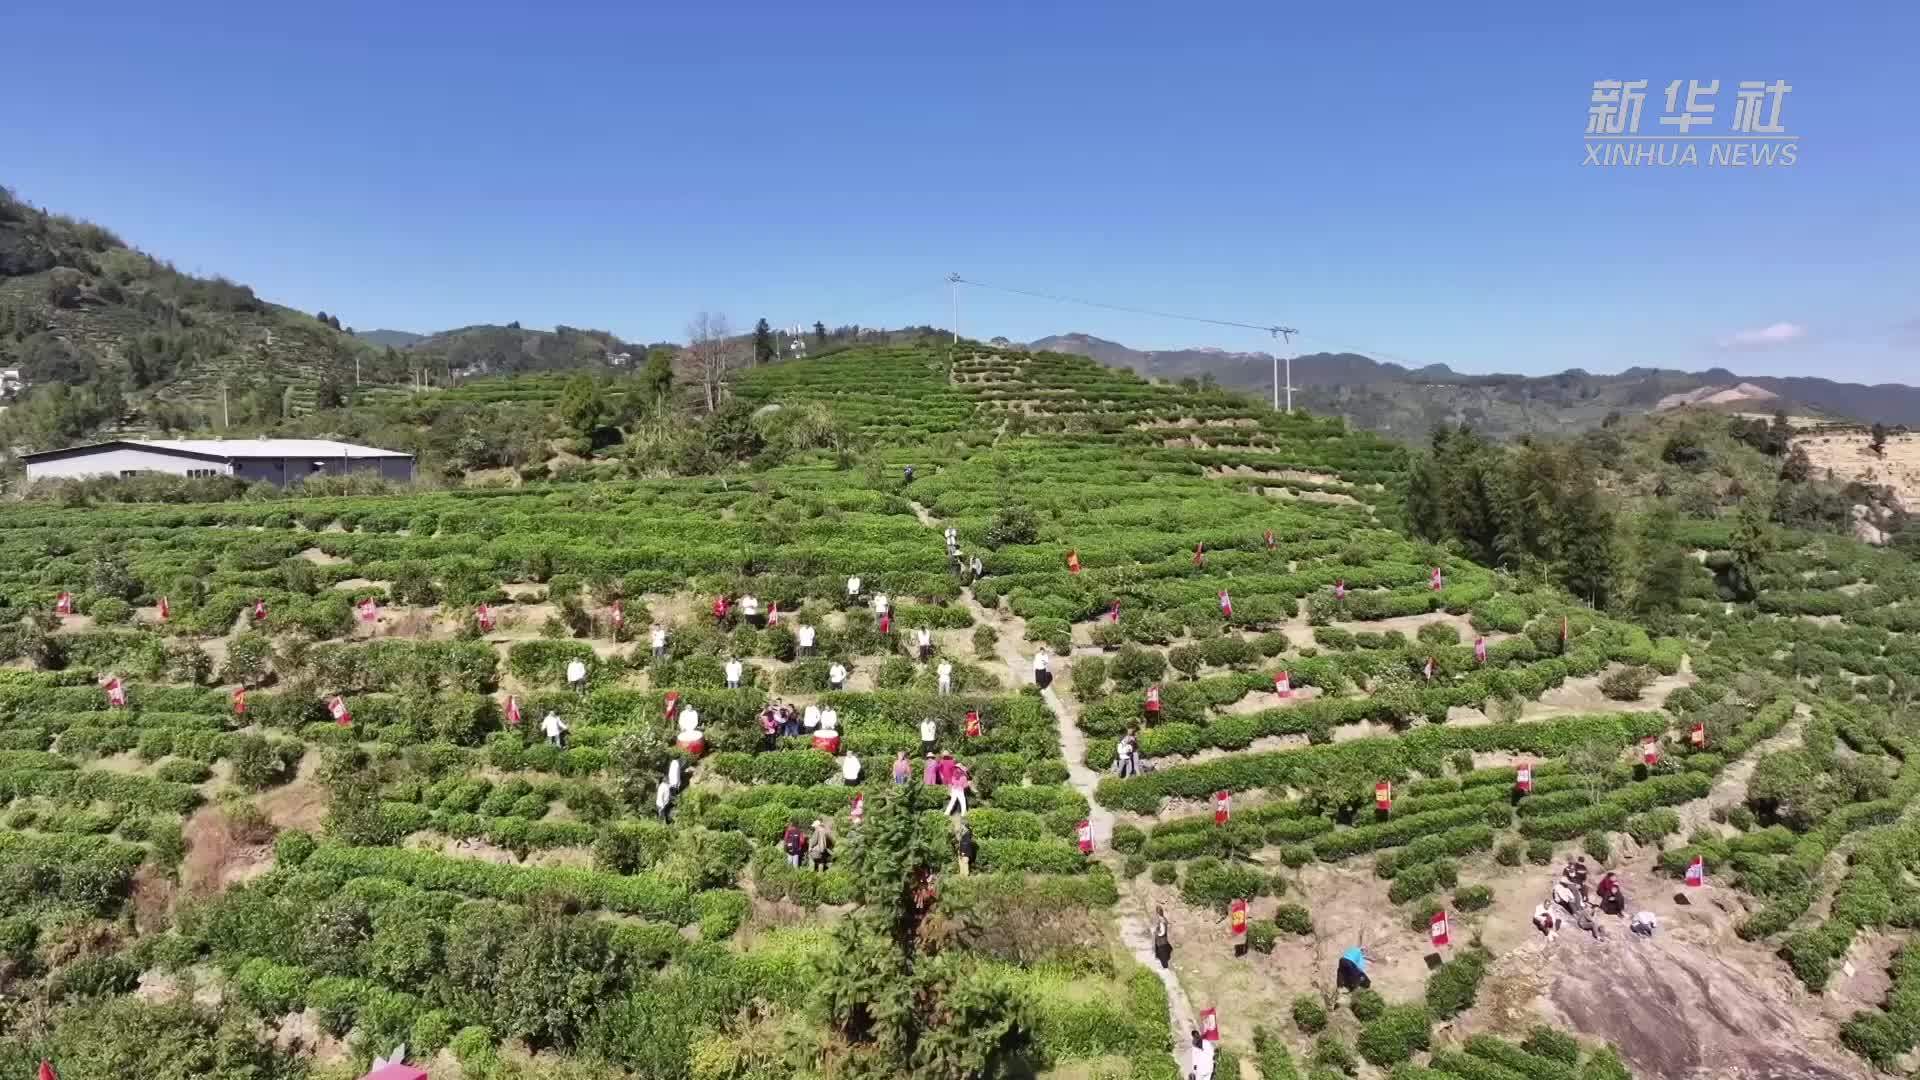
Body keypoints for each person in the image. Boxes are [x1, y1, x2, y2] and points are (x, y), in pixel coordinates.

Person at [1152, 905, 1172, 969]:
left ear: (1157, 913)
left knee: (1162, 955)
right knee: (1161, 953)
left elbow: (1162, 932)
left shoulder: (1161, 921)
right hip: (1163, 940)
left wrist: (1156, 933)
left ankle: (1165, 967)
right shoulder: (1164, 919)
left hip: (1161, 940)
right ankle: (1164, 966)